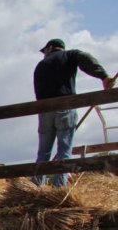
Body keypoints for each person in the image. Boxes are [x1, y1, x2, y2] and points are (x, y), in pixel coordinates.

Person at [32, 38, 116, 186]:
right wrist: (104, 76)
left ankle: (36, 186)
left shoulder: (41, 65)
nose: (44, 54)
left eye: (45, 51)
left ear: (50, 48)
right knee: (64, 150)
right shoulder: (70, 55)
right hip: (65, 107)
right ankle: (59, 188)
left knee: (43, 152)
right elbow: (86, 59)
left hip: (44, 111)